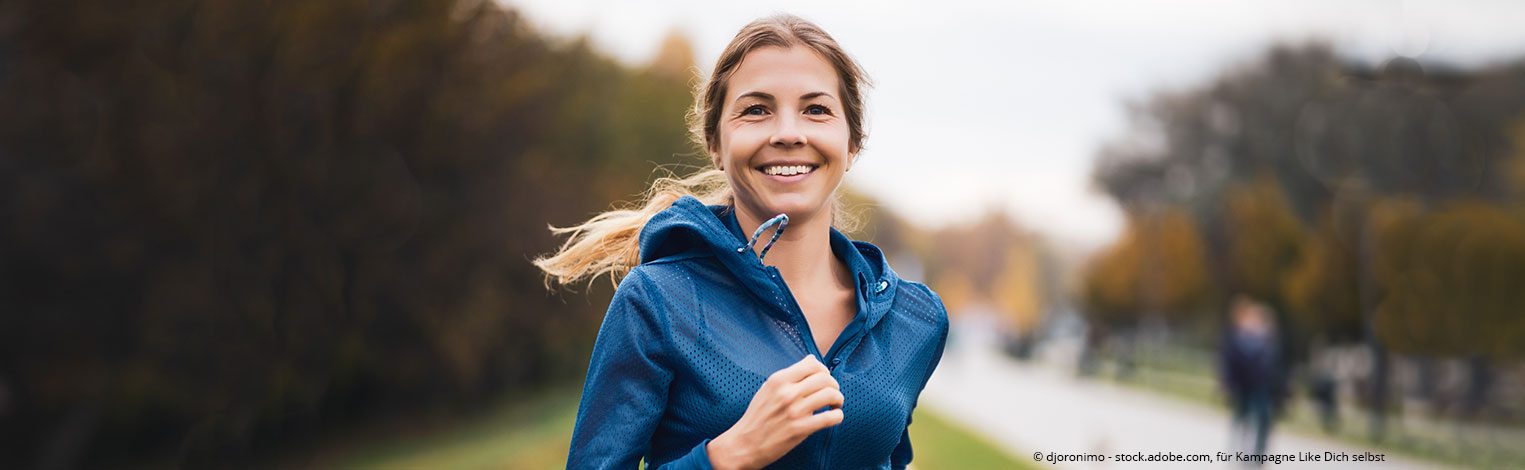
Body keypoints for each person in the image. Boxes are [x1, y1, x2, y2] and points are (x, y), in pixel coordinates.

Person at [534, 14, 950, 469]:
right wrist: (728, 455)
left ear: (852, 144)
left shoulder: (915, 318)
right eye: (756, 110)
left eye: (816, 109)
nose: (788, 133)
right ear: (716, 143)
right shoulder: (657, 301)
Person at [1218, 296, 1283, 460]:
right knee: (1243, 417)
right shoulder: (1241, 339)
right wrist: (1228, 383)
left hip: (1262, 387)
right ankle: (1241, 450)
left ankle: (1257, 453)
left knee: (1262, 418)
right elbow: (1231, 362)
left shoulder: (1266, 341)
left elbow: (1275, 368)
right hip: (1245, 386)